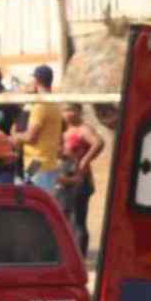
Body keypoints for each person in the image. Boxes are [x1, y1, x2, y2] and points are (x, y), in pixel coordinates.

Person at [54, 103, 104, 255]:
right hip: (62, 179)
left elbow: (99, 143)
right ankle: (66, 255)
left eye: (71, 110)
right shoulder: (62, 129)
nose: (67, 114)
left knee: (78, 220)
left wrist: (85, 161)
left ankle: (80, 256)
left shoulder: (83, 129)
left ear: (79, 111)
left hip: (79, 179)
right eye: (64, 110)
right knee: (63, 218)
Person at [12, 64, 63, 193]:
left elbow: (30, 137)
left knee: (36, 199)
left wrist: (15, 136)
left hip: (37, 163)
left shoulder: (40, 105)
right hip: (47, 162)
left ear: (36, 80)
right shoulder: (54, 102)